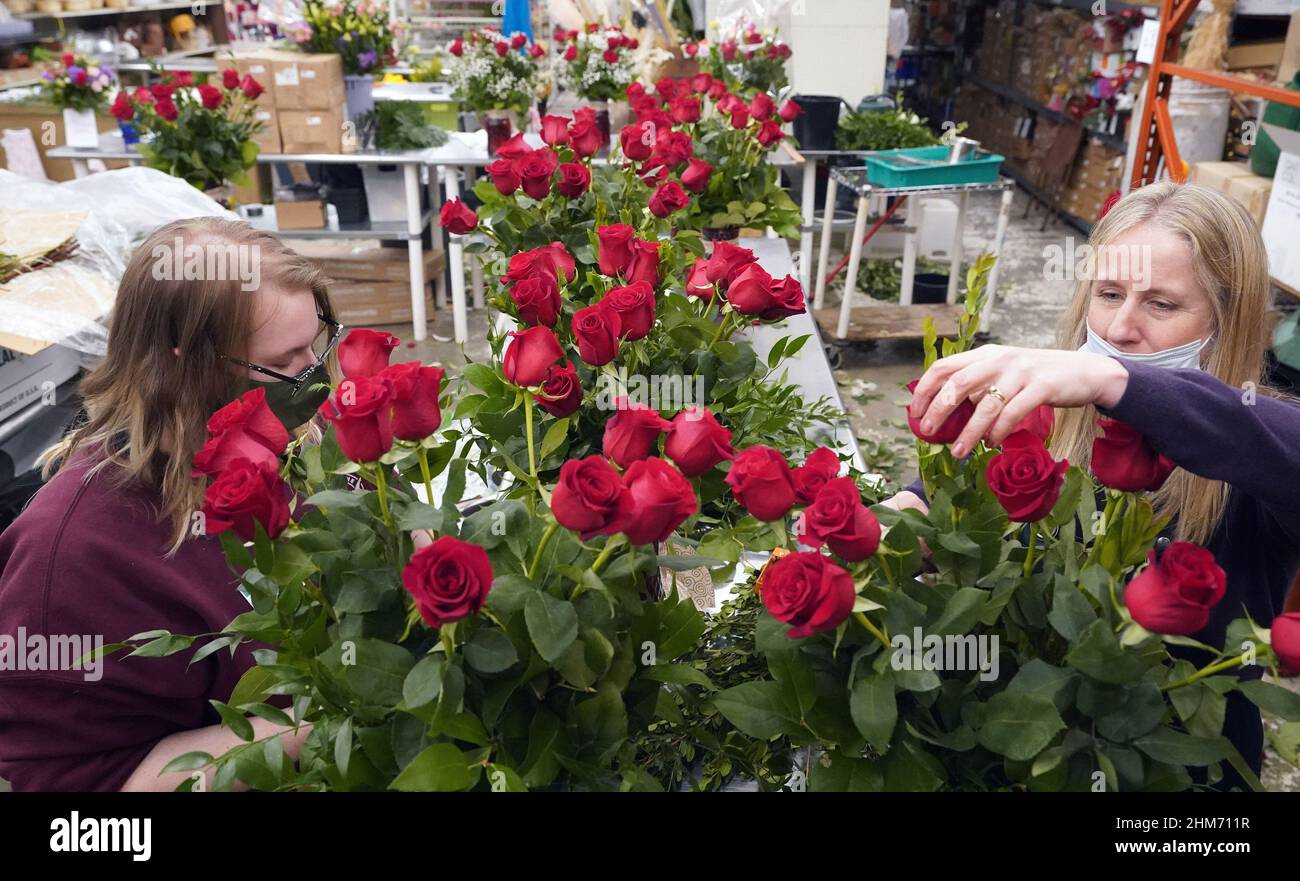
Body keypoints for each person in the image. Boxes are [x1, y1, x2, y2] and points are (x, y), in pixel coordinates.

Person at [889, 181, 1300, 787]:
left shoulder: (1250, 447)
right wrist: (899, 519)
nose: (1123, 327)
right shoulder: (1048, 414)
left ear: (1227, 319)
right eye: (1108, 294)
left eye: (1161, 305)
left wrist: (1119, 384)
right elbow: (937, 503)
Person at [0, 218, 337, 791]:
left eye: (317, 344)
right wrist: (328, 724)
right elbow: (86, 791)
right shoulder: (77, 555)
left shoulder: (290, 437)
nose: (313, 380)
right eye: (282, 364)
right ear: (183, 367)